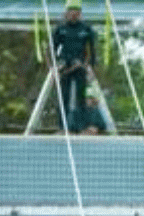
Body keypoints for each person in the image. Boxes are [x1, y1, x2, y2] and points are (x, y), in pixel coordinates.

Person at [52, 3, 97, 134]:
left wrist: (91, 68)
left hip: (80, 67)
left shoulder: (86, 29)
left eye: (76, 11)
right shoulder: (60, 29)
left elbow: (92, 50)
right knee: (63, 98)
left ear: (80, 13)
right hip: (65, 68)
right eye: (71, 11)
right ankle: (62, 128)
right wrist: (53, 68)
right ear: (66, 13)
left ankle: (80, 127)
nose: (73, 14)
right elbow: (52, 49)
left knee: (80, 99)